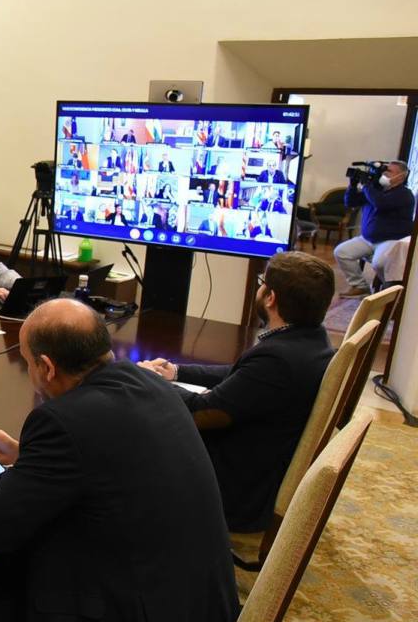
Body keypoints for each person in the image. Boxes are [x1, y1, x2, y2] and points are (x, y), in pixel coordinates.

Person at [0, 299, 237, 622]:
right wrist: (26, 454)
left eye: (27, 364)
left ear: (46, 366)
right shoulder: (149, 383)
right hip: (196, 612)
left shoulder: (62, 421)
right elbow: (111, 457)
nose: (29, 373)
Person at [138, 252, 336, 531]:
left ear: (271, 298)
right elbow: (240, 374)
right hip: (256, 464)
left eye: (262, 283)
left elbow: (202, 413)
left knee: (135, 426)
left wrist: (150, 381)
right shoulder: (310, 341)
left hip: (233, 491)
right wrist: (176, 372)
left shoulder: (278, 360)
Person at [334, 161, 414, 297]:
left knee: (379, 262)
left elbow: (380, 203)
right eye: (384, 171)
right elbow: (350, 202)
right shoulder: (375, 190)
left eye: (389, 172)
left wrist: (366, 185)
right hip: (368, 239)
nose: (384, 174)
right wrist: (352, 185)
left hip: (392, 240)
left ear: (401, 177)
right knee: (341, 252)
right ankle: (360, 286)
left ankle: (391, 292)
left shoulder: (404, 194)